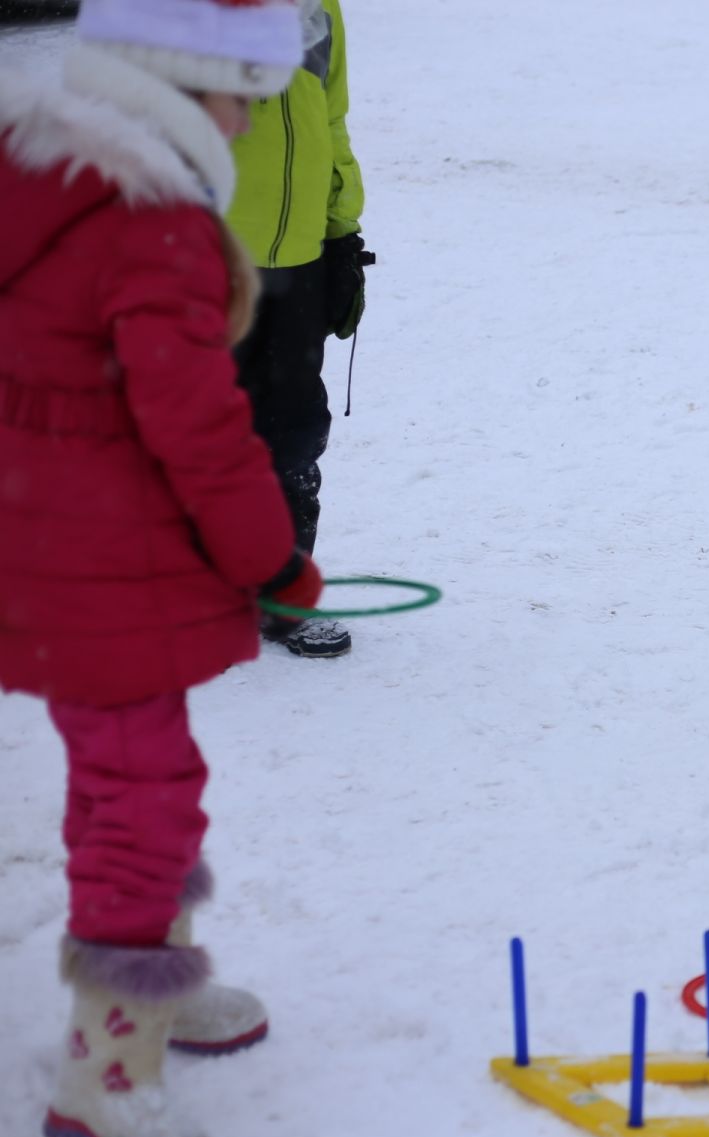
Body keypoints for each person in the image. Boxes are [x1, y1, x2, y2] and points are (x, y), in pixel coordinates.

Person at [0, 0, 322, 1137]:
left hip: (45, 546)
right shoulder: (152, 224)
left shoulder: (35, 174)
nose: (244, 126)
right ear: (180, 81)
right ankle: (108, 1074)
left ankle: (154, 973)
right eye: (242, 94)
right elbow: (200, 431)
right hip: (100, 565)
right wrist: (273, 559)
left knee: (125, 777)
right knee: (146, 796)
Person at [228, 0, 368, 659]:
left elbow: (329, 119)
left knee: (292, 428)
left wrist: (342, 230)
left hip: (300, 254)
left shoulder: (318, 7)